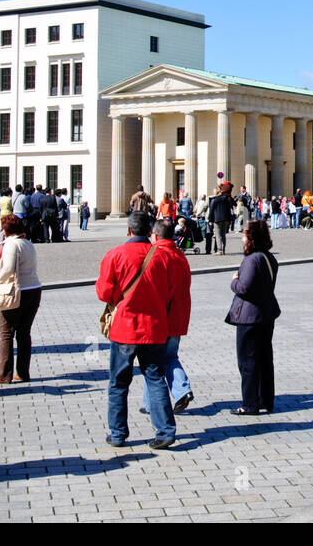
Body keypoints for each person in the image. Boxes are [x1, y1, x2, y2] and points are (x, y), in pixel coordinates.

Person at [97, 212, 178, 449]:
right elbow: (171, 291)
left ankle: (118, 433)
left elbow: (104, 292)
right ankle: (165, 431)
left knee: (118, 382)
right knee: (155, 377)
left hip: (124, 327)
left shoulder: (115, 254)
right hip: (153, 326)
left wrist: (119, 300)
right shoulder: (162, 256)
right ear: (149, 230)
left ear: (129, 230)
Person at [138, 220, 195, 416]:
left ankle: (159, 400)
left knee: (152, 361)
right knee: (169, 357)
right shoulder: (180, 255)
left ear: (155, 235)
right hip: (178, 316)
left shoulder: (155, 255)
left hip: (160, 317)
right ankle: (179, 391)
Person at [227, 220, 281, 415]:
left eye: (244, 235)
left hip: (250, 317)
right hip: (266, 313)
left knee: (248, 360)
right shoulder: (268, 257)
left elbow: (244, 287)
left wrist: (234, 281)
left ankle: (250, 403)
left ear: (252, 238)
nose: (242, 238)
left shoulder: (252, 259)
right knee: (265, 358)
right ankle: (266, 399)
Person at [0, 215, 43, 384]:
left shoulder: (10, 244)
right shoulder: (28, 243)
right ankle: (23, 372)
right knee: (24, 333)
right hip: (34, 289)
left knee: (6, 333)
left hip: (16, 292)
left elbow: (8, 269)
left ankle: (4, 374)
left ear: (6, 229)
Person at [208, 182, 234, 254]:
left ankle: (219, 250)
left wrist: (210, 220)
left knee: (218, 235)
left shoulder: (214, 200)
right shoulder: (226, 199)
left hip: (217, 219)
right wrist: (229, 219)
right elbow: (229, 209)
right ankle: (223, 250)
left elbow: (211, 211)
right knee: (223, 235)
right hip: (225, 219)